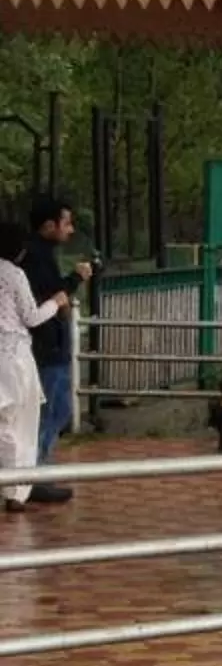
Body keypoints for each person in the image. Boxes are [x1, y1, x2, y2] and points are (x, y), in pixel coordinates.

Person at [0, 217, 73, 513]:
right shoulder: (14, 274)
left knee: (4, 422)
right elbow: (31, 317)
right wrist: (56, 302)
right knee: (23, 423)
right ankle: (17, 490)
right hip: (15, 355)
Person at [20, 198, 89, 503]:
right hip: (45, 346)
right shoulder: (35, 258)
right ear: (49, 225)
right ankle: (34, 473)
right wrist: (76, 278)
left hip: (47, 343)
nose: (71, 229)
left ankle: (36, 469)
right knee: (52, 409)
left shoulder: (39, 255)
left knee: (54, 408)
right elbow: (53, 297)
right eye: (67, 223)